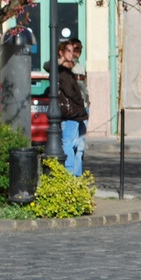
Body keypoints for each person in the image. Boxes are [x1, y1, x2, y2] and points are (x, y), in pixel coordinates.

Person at [55, 40, 89, 177]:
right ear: (61, 53)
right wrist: (80, 101)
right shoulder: (62, 69)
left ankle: (76, 175)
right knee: (68, 143)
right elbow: (70, 90)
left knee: (77, 145)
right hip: (71, 111)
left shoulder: (75, 67)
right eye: (69, 50)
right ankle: (70, 174)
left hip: (77, 110)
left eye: (75, 50)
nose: (74, 53)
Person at [68, 39, 89, 167]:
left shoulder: (80, 66)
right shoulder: (67, 65)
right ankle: (71, 175)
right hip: (74, 108)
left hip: (84, 106)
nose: (78, 52)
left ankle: (77, 175)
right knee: (72, 143)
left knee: (81, 145)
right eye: (75, 49)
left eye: (80, 49)